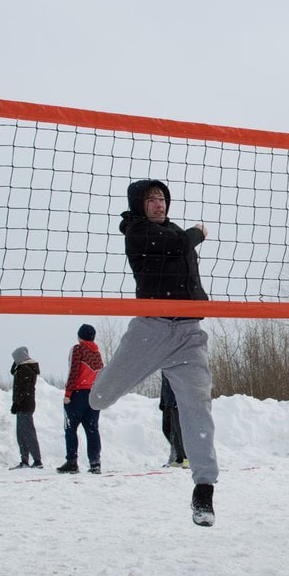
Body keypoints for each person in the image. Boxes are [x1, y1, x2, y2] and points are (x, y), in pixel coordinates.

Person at [88, 179, 219, 526]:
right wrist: (198, 233)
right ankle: (98, 384)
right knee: (99, 399)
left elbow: (180, 249)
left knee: (198, 406)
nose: (159, 204)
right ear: (139, 205)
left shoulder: (175, 231)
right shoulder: (136, 232)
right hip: (151, 330)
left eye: (162, 199)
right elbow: (177, 244)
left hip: (189, 333)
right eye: (151, 200)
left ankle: (204, 489)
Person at [59, 324, 104, 475]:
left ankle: (72, 461)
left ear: (80, 336)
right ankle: (95, 463)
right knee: (92, 429)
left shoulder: (78, 349)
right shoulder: (97, 353)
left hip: (78, 394)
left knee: (70, 428)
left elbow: (73, 371)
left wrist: (68, 394)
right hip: (93, 395)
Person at [9, 346, 43, 469]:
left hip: (25, 405)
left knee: (28, 433)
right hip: (21, 405)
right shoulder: (21, 368)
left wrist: (16, 403)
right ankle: (24, 460)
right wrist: (15, 363)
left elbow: (23, 390)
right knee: (21, 434)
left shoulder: (26, 370)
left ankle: (37, 461)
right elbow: (12, 372)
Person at [160, 372, 189, 468]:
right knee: (169, 431)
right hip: (169, 403)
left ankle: (187, 458)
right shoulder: (164, 368)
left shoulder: (174, 366)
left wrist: (171, 402)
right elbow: (164, 387)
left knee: (179, 431)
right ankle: (179, 458)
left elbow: (175, 386)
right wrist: (163, 401)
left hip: (177, 403)